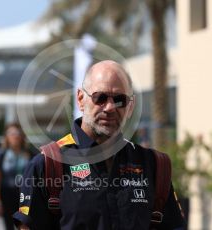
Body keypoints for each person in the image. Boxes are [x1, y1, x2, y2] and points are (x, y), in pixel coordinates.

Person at [13, 60, 185, 229]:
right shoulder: (48, 164)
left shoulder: (154, 165)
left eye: (119, 100)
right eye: (100, 98)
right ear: (81, 99)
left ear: (130, 107)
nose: (110, 107)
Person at [0, 123, 32, 230]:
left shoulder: (29, 153)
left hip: (25, 197)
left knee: (24, 226)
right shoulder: (2, 155)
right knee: (8, 226)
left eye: (17, 133)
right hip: (7, 196)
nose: (15, 136)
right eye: (11, 133)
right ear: (6, 137)